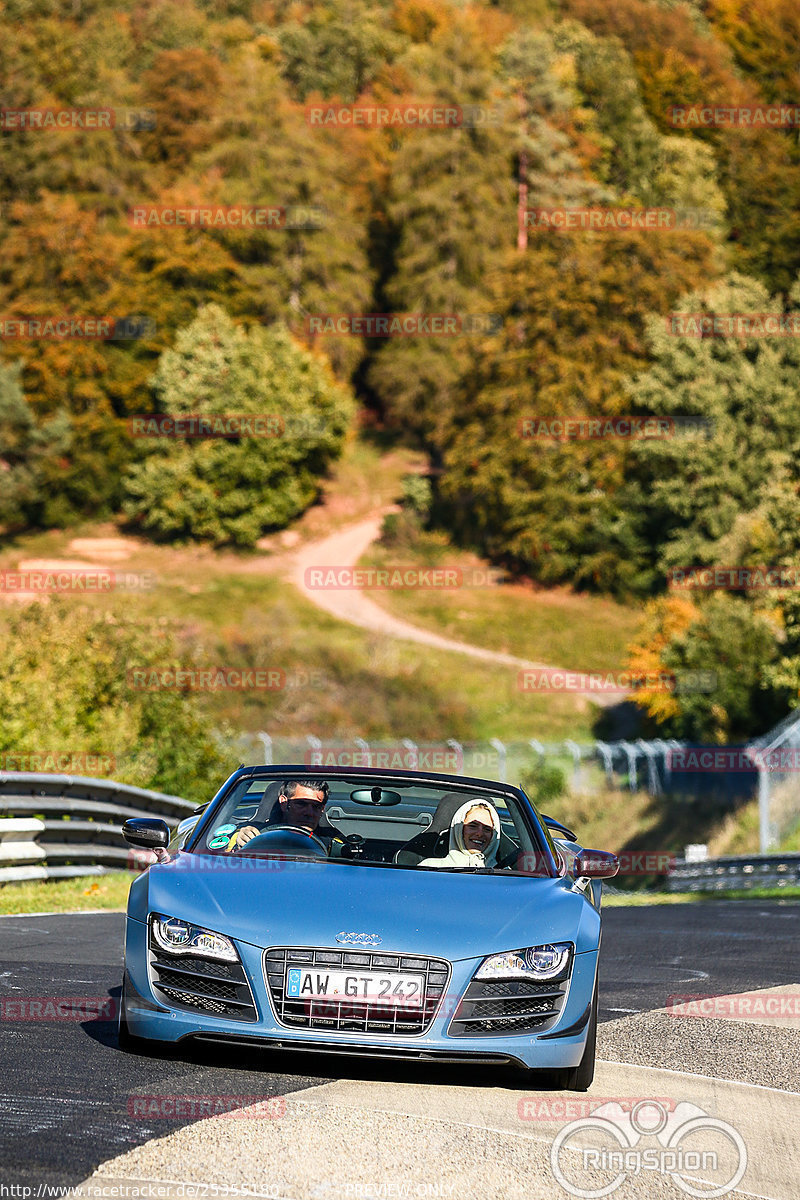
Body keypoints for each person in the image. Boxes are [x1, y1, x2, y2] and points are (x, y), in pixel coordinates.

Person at [226, 779, 344, 853]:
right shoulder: (255, 833)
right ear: (284, 803)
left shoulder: (332, 842)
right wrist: (238, 837)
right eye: (301, 804)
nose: (309, 813)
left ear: (322, 809)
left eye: (316, 806)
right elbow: (215, 846)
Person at [418, 798, 501, 869]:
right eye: (472, 826)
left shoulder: (507, 874)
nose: (479, 834)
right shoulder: (428, 868)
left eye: (487, 829)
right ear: (459, 830)